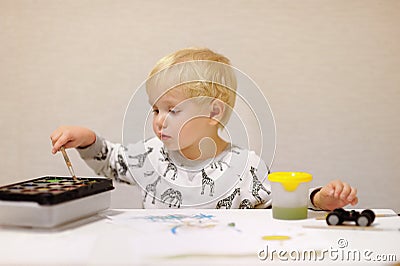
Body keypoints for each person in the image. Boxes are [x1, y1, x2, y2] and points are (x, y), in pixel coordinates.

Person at [50, 47, 358, 210]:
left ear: (213, 112)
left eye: (173, 109)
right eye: (155, 109)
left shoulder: (243, 167)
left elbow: (276, 203)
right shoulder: (150, 155)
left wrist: (319, 199)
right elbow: (111, 162)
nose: (159, 119)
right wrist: (88, 139)